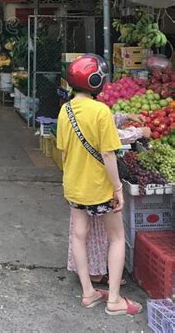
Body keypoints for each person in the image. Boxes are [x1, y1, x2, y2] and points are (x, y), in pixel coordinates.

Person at [57, 54, 142, 316]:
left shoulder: (65, 109)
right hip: (99, 188)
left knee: (78, 236)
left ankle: (88, 293)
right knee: (116, 238)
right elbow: (108, 155)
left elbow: (63, 151)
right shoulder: (101, 111)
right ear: (96, 82)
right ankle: (114, 300)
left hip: (74, 186)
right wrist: (117, 189)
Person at [67, 114, 151, 286]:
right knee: (111, 235)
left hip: (77, 181)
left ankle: (87, 284)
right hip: (98, 184)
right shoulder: (95, 108)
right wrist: (138, 132)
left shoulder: (68, 111)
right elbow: (108, 142)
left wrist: (126, 117)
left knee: (80, 233)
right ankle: (103, 282)